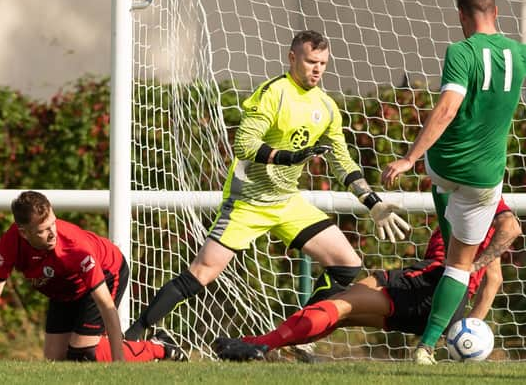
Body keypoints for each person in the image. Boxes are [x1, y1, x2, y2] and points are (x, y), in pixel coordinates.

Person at [124, 30, 411, 340]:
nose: (317, 69)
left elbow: (342, 162)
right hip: (248, 202)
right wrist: (291, 157)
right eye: (311, 61)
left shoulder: (326, 106)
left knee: (346, 265)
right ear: (292, 58)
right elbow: (244, 144)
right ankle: (133, 334)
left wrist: (374, 203)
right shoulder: (273, 93)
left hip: (287, 202)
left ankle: (296, 340)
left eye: (323, 63)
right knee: (201, 273)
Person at [380, 0, 526, 365]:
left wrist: (410, 158)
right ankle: (427, 348)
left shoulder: (460, 51)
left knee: (448, 218)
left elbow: (446, 109)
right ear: (496, 12)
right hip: (482, 178)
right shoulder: (519, 52)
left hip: (442, 168)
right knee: (460, 267)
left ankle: (448, 240)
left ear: (462, 16)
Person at [214, 198, 521, 361]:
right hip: (446, 306)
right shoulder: (476, 217)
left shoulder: (479, 193)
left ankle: (259, 345)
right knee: (341, 316)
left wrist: (465, 269)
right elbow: (492, 280)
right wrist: (467, 328)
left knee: (340, 304)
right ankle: (271, 349)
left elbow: (512, 227)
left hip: (431, 281)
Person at [0, 190, 181, 362]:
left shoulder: (74, 247)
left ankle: (159, 348)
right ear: (24, 233)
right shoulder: (10, 243)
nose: (53, 232)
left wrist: (119, 367)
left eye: (54, 222)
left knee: (83, 354)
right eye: (44, 229)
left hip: (107, 271)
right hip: (64, 288)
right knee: (55, 358)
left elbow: (105, 304)